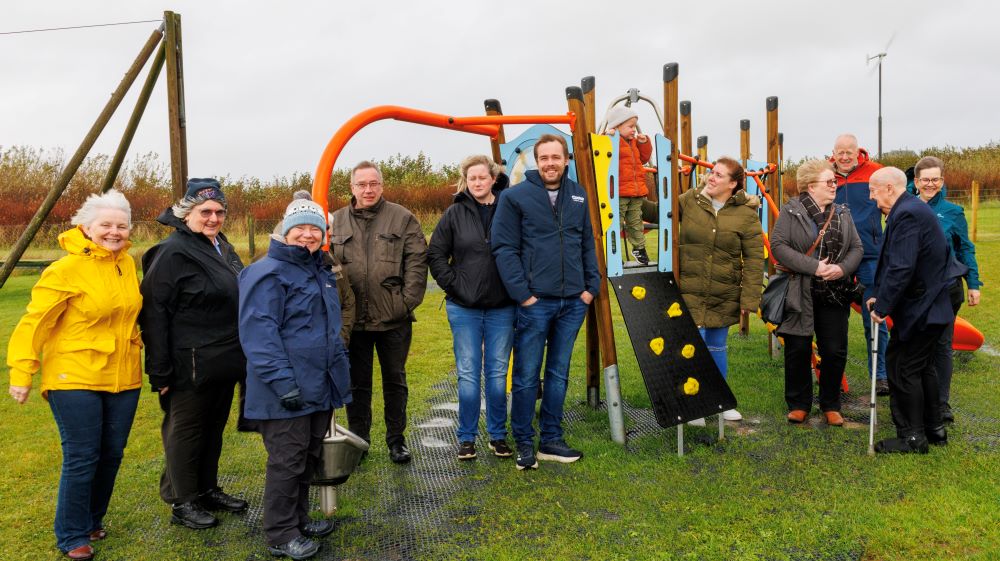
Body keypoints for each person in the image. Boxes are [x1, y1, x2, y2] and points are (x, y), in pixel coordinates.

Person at [7, 190, 142, 561]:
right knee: (82, 455)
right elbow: (34, 322)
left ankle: (93, 519)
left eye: (121, 225)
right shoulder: (64, 269)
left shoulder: (126, 264)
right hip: (74, 375)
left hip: (123, 376)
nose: (114, 232)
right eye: (106, 225)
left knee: (112, 453)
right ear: (86, 227)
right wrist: (22, 371)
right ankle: (72, 535)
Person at [239, 198, 352, 560]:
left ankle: (298, 520)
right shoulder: (267, 272)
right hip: (284, 389)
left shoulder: (319, 270)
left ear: (324, 234)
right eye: (300, 228)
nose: (307, 234)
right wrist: (283, 382)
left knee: (307, 456)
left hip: (319, 385)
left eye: (314, 229)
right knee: (286, 461)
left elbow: (327, 329)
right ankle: (280, 533)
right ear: (285, 231)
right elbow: (260, 333)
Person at [139, 178, 248, 529]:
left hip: (224, 359)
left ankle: (206, 489)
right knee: (185, 431)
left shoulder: (221, 246)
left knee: (213, 428)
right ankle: (183, 501)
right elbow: (154, 314)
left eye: (219, 211)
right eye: (206, 212)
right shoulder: (172, 252)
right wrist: (160, 372)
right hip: (189, 364)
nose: (213, 218)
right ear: (186, 213)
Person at [491, 134, 602, 470]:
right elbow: (504, 248)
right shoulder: (515, 198)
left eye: (557, 157)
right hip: (535, 303)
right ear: (536, 161)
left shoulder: (579, 195)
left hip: (573, 302)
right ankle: (524, 439)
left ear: (566, 160)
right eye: (544, 158)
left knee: (558, 373)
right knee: (526, 375)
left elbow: (586, 242)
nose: (551, 163)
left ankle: (551, 438)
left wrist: (590, 287)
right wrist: (523, 295)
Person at [330, 161, 428, 464]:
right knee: (357, 384)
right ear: (352, 187)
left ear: (381, 186)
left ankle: (396, 440)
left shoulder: (402, 218)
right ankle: (360, 442)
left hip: (393, 319)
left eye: (373, 183)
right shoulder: (335, 221)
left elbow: (417, 261)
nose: (368, 189)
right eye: (361, 184)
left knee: (395, 381)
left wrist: (405, 302)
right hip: (353, 321)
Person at [428, 155, 515, 461]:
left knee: (497, 373)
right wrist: (454, 283)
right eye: (472, 178)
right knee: (468, 373)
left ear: (493, 179)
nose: (478, 183)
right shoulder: (454, 214)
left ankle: (498, 435)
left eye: (483, 177)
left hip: (502, 306)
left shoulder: (509, 208)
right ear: (467, 181)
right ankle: (466, 438)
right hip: (463, 307)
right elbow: (436, 254)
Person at [867, 167, 959, 453]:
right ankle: (934, 430)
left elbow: (902, 266)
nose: (871, 197)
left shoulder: (907, 214)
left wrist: (883, 306)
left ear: (890, 189)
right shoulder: (910, 209)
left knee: (902, 367)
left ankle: (912, 437)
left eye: (873, 190)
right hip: (932, 305)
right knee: (922, 367)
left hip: (924, 307)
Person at [770, 160, 863, 426]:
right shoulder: (791, 211)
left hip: (834, 292)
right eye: (829, 182)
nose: (834, 186)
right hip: (800, 291)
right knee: (798, 349)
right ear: (811, 186)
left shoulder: (843, 213)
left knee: (834, 350)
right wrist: (815, 267)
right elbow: (779, 246)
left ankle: (831, 404)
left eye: (835, 182)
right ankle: (798, 404)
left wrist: (841, 269)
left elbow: (857, 247)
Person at [677, 156, 764, 425]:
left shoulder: (746, 215)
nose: (711, 178)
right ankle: (693, 402)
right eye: (711, 172)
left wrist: (749, 297)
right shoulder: (690, 201)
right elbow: (658, 212)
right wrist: (630, 198)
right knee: (694, 344)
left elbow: (754, 259)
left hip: (723, 290)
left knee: (716, 345)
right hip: (689, 289)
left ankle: (719, 400)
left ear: (733, 184)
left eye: (718, 175)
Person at [907, 156, 981, 424]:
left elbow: (965, 249)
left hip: (946, 290)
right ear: (916, 182)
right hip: (913, 292)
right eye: (925, 179)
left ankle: (940, 403)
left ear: (942, 181)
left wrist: (973, 283)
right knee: (914, 345)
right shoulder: (904, 209)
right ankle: (916, 400)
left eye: (935, 179)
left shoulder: (952, 212)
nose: (930, 184)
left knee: (941, 346)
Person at [830, 134, 889, 395]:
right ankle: (831, 375)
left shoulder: (875, 172)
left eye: (849, 152)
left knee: (874, 314)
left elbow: (897, 199)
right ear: (833, 152)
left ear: (858, 152)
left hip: (869, 254)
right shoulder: (826, 173)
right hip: (835, 255)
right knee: (833, 317)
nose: (844, 157)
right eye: (840, 152)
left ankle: (881, 374)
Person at [603, 105, 653, 265]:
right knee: (615, 222)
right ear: (617, 126)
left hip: (636, 192)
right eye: (630, 126)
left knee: (636, 222)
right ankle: (612, 251)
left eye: (634, 126)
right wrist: (608, 136)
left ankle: (639, 248)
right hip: (619, 192)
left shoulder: (633, 143)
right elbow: (601, 154)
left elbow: (644, 158)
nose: (633, 130)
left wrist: (644, 143)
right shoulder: (611, 140)